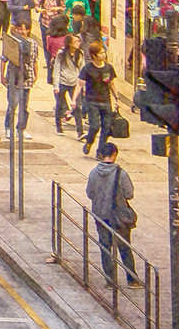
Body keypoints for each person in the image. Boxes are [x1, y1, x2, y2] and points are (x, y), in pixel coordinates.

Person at [86, 142, 139, 287]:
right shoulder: (121, 174)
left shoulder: (93, 173)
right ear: (115, 155)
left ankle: (110, 281)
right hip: (118, 218)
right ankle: (132, 279)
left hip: (100, 216)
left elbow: (89, 193)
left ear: (101, 156)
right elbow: (129, 194)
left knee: (105, 248)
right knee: (124, 248)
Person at [1, 19, 37, 141]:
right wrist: (2, 75)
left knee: (24, 106)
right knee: (12, 104)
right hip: (13, 79)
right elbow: (3, 59)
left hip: (27, 79)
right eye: (19, 29)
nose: (21, 32)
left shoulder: (33, 43)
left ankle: (21, 129)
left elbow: (34, 60)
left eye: (23, 29)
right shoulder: (12, 42)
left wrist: (36, 74)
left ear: (28, 30)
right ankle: (8, 127)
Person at [79, 42, 118, 155]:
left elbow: (112, 84)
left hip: (106, 101)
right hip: (92, 101)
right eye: (100, 53)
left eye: (103, 52)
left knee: (106, 127)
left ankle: (100, 151)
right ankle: (89, 142)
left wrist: (117, 98)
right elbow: (80, 84)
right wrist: (74, 99)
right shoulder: (87, 68)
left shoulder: (109, 68)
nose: (103, 55)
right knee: (95, 126)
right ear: (94, 56)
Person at [54, 33, 85, 139]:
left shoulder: (80, 54)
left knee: (77, 107)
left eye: (78, 41)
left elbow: (82, 70)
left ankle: (80, 131)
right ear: (70, 43)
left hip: (75, 83)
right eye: (75, 41)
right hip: (62, 82)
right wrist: (56, 85)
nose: (78, 43)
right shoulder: (61, 53)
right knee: (60, 105)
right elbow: (57, 69)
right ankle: (59, 126)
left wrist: (83, 87)